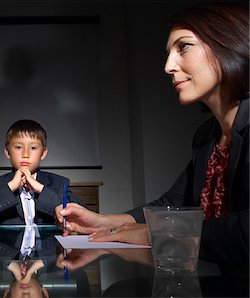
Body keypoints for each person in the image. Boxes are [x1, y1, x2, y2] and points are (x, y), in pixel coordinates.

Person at [56, 2, 249, 267]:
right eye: (169, 52)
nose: (168, 66)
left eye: (183, 47)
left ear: (227, 43)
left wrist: (154, 233)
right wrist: (102, 222)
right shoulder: (206, 136)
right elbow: (171, 205)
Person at [0, 119, 85, 225]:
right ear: (7, 152)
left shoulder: (59, 183)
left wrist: (40, 188)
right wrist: (11, 187)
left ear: (43, 153)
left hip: (47, 247)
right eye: (18, 147)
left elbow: (82, 214)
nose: (25, 154)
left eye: (33, 148)